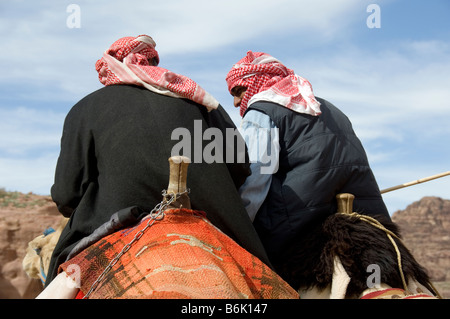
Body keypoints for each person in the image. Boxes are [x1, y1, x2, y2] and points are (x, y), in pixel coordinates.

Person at [45, 36, 271, 286]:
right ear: (153, 61)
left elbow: (66, 196)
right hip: (215, 222)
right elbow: (240, 166)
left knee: (59, 287)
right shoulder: (199, 100)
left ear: (111, 64)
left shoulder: (84, 109)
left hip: (114, 224)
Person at [225, 51, 391, 287]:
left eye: (238, 91)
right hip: (366, 215)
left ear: (254, 82)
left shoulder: (261, 111)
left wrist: (238, 226)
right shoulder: (329, 107)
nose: (235, 102)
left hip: (299, 225)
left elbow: (255, 179)